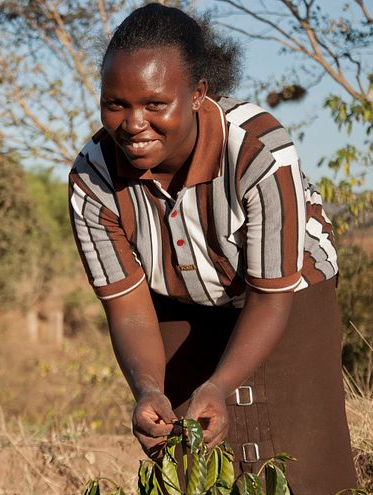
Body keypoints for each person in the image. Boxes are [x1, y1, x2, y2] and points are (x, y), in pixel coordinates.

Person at [68, 3, 358, 493]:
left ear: (199, 93)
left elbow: (270, 295)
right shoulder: (91, 180)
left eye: (155, 104)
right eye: (115, 104)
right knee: (185, 454)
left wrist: (221, 386)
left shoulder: (256, 149)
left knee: (302, 463)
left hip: (287, 291)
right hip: (178, 297)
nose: (133, 124)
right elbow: (130, 312)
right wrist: (148, 389)